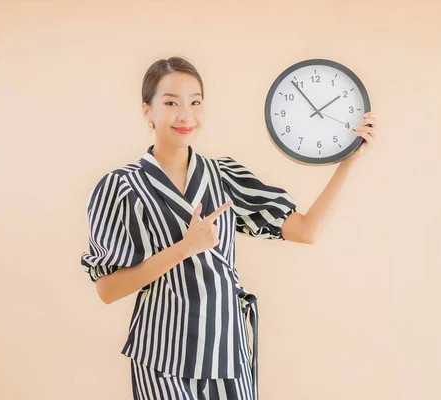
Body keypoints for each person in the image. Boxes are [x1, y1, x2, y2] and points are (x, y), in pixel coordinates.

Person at [80, 56, 378, 399]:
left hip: (228, 351)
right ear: (147, 110)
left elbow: (305, 230)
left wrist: (349, 160)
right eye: (171, 103)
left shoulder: (223, 175)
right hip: (161, 357)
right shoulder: (120, 187)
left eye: (195, 102)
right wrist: (184, 248)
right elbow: (107, 290)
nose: (185, 114)